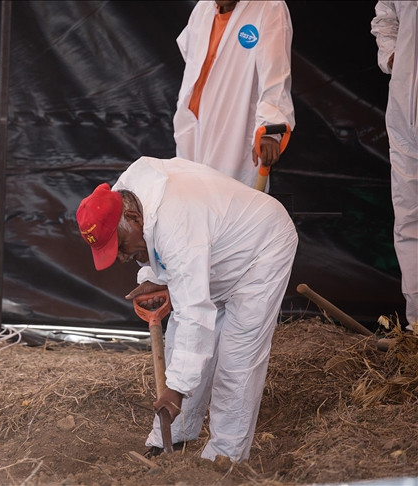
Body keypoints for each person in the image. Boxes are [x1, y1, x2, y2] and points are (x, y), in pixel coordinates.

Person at [76, 156, 298, 463]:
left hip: (261, 247)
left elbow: (194, 312)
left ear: (132, 217)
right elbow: (158, 256)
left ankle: (224, 458)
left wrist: (176, 389)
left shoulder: (175, 223)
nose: (123, 258)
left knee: (237, 357)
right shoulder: (120, 202)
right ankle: (172, 435)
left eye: (121, 247)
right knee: (183, 340)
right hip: (214, 249)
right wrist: (153, 277)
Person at [173, 0, 295, 190]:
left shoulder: (270, 7)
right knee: (191, 204)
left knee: (230, 206)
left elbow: (275, 75)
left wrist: (270, 129)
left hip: (234, 134)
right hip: (192, 131)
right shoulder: (203, 8)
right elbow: (192, 57)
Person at [371, 1, 417, 331]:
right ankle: (417, 329)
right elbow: (386, 15)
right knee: (409, 222)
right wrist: (393, 57)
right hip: (406, 112)